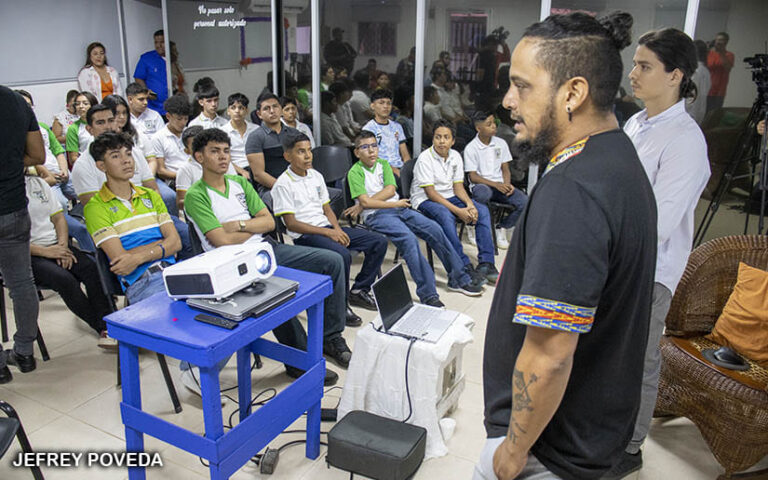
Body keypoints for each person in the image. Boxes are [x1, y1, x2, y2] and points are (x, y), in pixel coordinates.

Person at [476, 11, 661, 480]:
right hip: (590, 437)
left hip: (548, 451)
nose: (508, 101)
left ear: (572, 92)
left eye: (522, 86)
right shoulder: (616, 155)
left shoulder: (574, 189)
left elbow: (551, 353)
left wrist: (512, 455)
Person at [609, 28, 711, 478]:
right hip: (617, 261)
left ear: (675, 75)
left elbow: (658, 225)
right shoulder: (636, 123)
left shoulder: (685, 142)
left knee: (639, 360)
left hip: (651, 271)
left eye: (645, 66)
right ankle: (604, 431)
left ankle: (631, 449)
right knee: (609, 355)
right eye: (634, 63)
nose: (633, 73)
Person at [183, 128, 356, 370]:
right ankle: (299, 362)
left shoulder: (239, 183)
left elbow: (270, 222)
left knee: (334, 260)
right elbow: (220, 240)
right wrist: (252, 228)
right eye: (214, 152)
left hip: (265, 249)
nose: (223, 157)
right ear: (199, 157)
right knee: (273, 298)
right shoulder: (196, 195)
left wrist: (239, 225)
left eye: (226, 151)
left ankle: (331, 337)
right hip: (232, 264)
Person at [344, 131, 483, 305]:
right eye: (365, 147)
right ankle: (428, 294)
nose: (371, 151)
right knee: (409, 239)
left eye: (374, 146)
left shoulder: (384, 164)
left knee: (435, 229)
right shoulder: (354, 172)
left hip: (399, 208)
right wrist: (373, 204)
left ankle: (458, 279)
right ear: (357, 152)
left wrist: (367, 202)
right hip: (376, 215)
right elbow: (368, 201)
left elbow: (390, 190)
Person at [273, 129, 388, 312]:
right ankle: (340, 307)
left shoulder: (315, 176)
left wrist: (337, 229)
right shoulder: (282, 184)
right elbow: (291, 224)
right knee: (341, 255)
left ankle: (359, 289)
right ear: (288, 156)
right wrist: (330, 232)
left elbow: (327, 209)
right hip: (306, 235)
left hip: (327, 228)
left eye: (309, 150)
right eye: (301, 151)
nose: (308, 156)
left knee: (378, 241)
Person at [84, 132, 180, 306]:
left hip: (175, 273)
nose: (126, 160)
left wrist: (136, 257)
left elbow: (176, 243)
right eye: (115, 156)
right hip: (143, 282)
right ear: (101, 166)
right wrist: (162, 246)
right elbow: (121, 260)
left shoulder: (150, 196)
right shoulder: (95, 207)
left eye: (128, 153)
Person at [25, 172, 114, 349]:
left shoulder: (37, 183)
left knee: (91, 268)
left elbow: (59, 218)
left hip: (56, 245)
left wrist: (63, 246)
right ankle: (102, 327)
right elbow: (8, 243)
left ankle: (110, 323)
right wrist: (47, 252)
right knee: (65, 280)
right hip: (28, 254)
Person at [411, 120, 498, 284]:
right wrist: (459, 212)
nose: (441, 141)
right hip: (425, 199)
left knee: (482, 211)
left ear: (453, 141)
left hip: (449, 195)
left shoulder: (455, 156)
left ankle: (487, 262)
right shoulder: (425, 159)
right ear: (433, 139)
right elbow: (431, 194)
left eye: (445, 137)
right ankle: (463, 264)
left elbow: (458, 187)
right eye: (438, 137)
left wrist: (470, 205)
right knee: (445, 215)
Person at [0, 86, 45, 383]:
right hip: (13, 208)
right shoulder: (15, 101)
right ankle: (24, 352)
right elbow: (38, 154)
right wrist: (12, 162)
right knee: (22, 284)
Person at [246, 93, 345, 213]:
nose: (272, 111)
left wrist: (311, 184)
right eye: (266, 108)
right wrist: (288, 188)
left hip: (301, 182)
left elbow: (307, 163)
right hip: (272, 188)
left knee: (336, 195)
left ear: (280, 110)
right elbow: (258, 175)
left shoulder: (294, 133)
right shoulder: (255, 137)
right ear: (259, 114)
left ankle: (323, 225)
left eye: (275, 106)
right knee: (285, 201)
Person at [464, 111, 528, 249]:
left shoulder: (501, 143)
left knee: (524, 202)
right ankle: (472, 225)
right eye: (489, 124)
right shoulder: (471, 148)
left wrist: (506, 183)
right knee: (483, 194)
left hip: (499, 185)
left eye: (494, 123)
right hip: (481, 185)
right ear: (478, 128)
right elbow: (473, 176)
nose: (494, 126)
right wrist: (495, 185)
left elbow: (505, 168)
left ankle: (501, 227)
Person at [71, 104, 157, 206]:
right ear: (90, 129)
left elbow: (153, 189)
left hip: (146, 211)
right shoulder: (83, 165)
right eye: (100, 123)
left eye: (111, 121)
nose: (108, 127)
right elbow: (94, 206)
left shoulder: (133, 152)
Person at [15, 90, 75, 209]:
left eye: (29, 105)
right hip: (44, 177)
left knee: (90, 193)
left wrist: (64, 170)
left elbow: (58, 151)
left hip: (62, 173)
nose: (27, 108)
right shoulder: (14, 133)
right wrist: (49, 175)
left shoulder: (42, 127)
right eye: (22, 105)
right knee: (61, 204)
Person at [175, 126, 236, 211]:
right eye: (194, 146)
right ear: (187, 151)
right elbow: (180, 202)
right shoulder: (185, 169)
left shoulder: (223, 162)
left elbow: (236, 187)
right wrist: (206, 201)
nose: (199, 149)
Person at [362, 89, 411, 181]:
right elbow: (372, 156)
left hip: (400, 169)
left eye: (388, 103)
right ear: (372, 106)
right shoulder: (368, 129)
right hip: (380, 170)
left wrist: (408, 170)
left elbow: (404, 153)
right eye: (381, 103)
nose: (386, 106)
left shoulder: (397, 127)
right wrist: (394, 171)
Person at [150, 94, 192, 187]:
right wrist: (186, 176)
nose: (183, 123)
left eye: (186, 119)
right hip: (174, 180)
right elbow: (161, 171)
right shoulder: (158, 137)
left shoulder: (190, 133)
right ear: (168, 116)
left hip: (195, 175)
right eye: (179, 119)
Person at [220, 93, 257, 178]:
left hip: (255, 169)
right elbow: (223, 157)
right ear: (228, 111)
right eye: (233, 108)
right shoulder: (222, 132)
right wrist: (242, 172)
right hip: (233, 171)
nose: (237, 111)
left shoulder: (255, 130)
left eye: (241, 108)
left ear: (247, 111)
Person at [134, 29, 168, 115]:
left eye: (162, 42)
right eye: (156, 42)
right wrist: (148, 92)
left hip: (171, 107)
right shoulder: (146, 58)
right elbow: (138, 78)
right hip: (154, 107)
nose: (159, 45)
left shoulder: (173, 58)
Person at [65, 91, 99, 166]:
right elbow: (73, 159)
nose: (81, 106)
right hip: (86, 166)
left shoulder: (102, 123)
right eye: (77, 104)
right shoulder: (73, 128)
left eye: (85, 103)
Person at [706, 32, 734, 113]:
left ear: (726, 42)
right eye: (717, 40)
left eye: (721, 40)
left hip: (719, 92)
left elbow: (728, 67)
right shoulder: (709, 54)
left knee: (713, 115)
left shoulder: (729, 55)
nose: (718, 42)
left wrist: (721, 53)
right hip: (707, 90)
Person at [687, 39, 711, 125]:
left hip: (690, 113)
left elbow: (691, 96)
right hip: (699, 113)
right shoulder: (705, 71)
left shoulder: (695, 71)